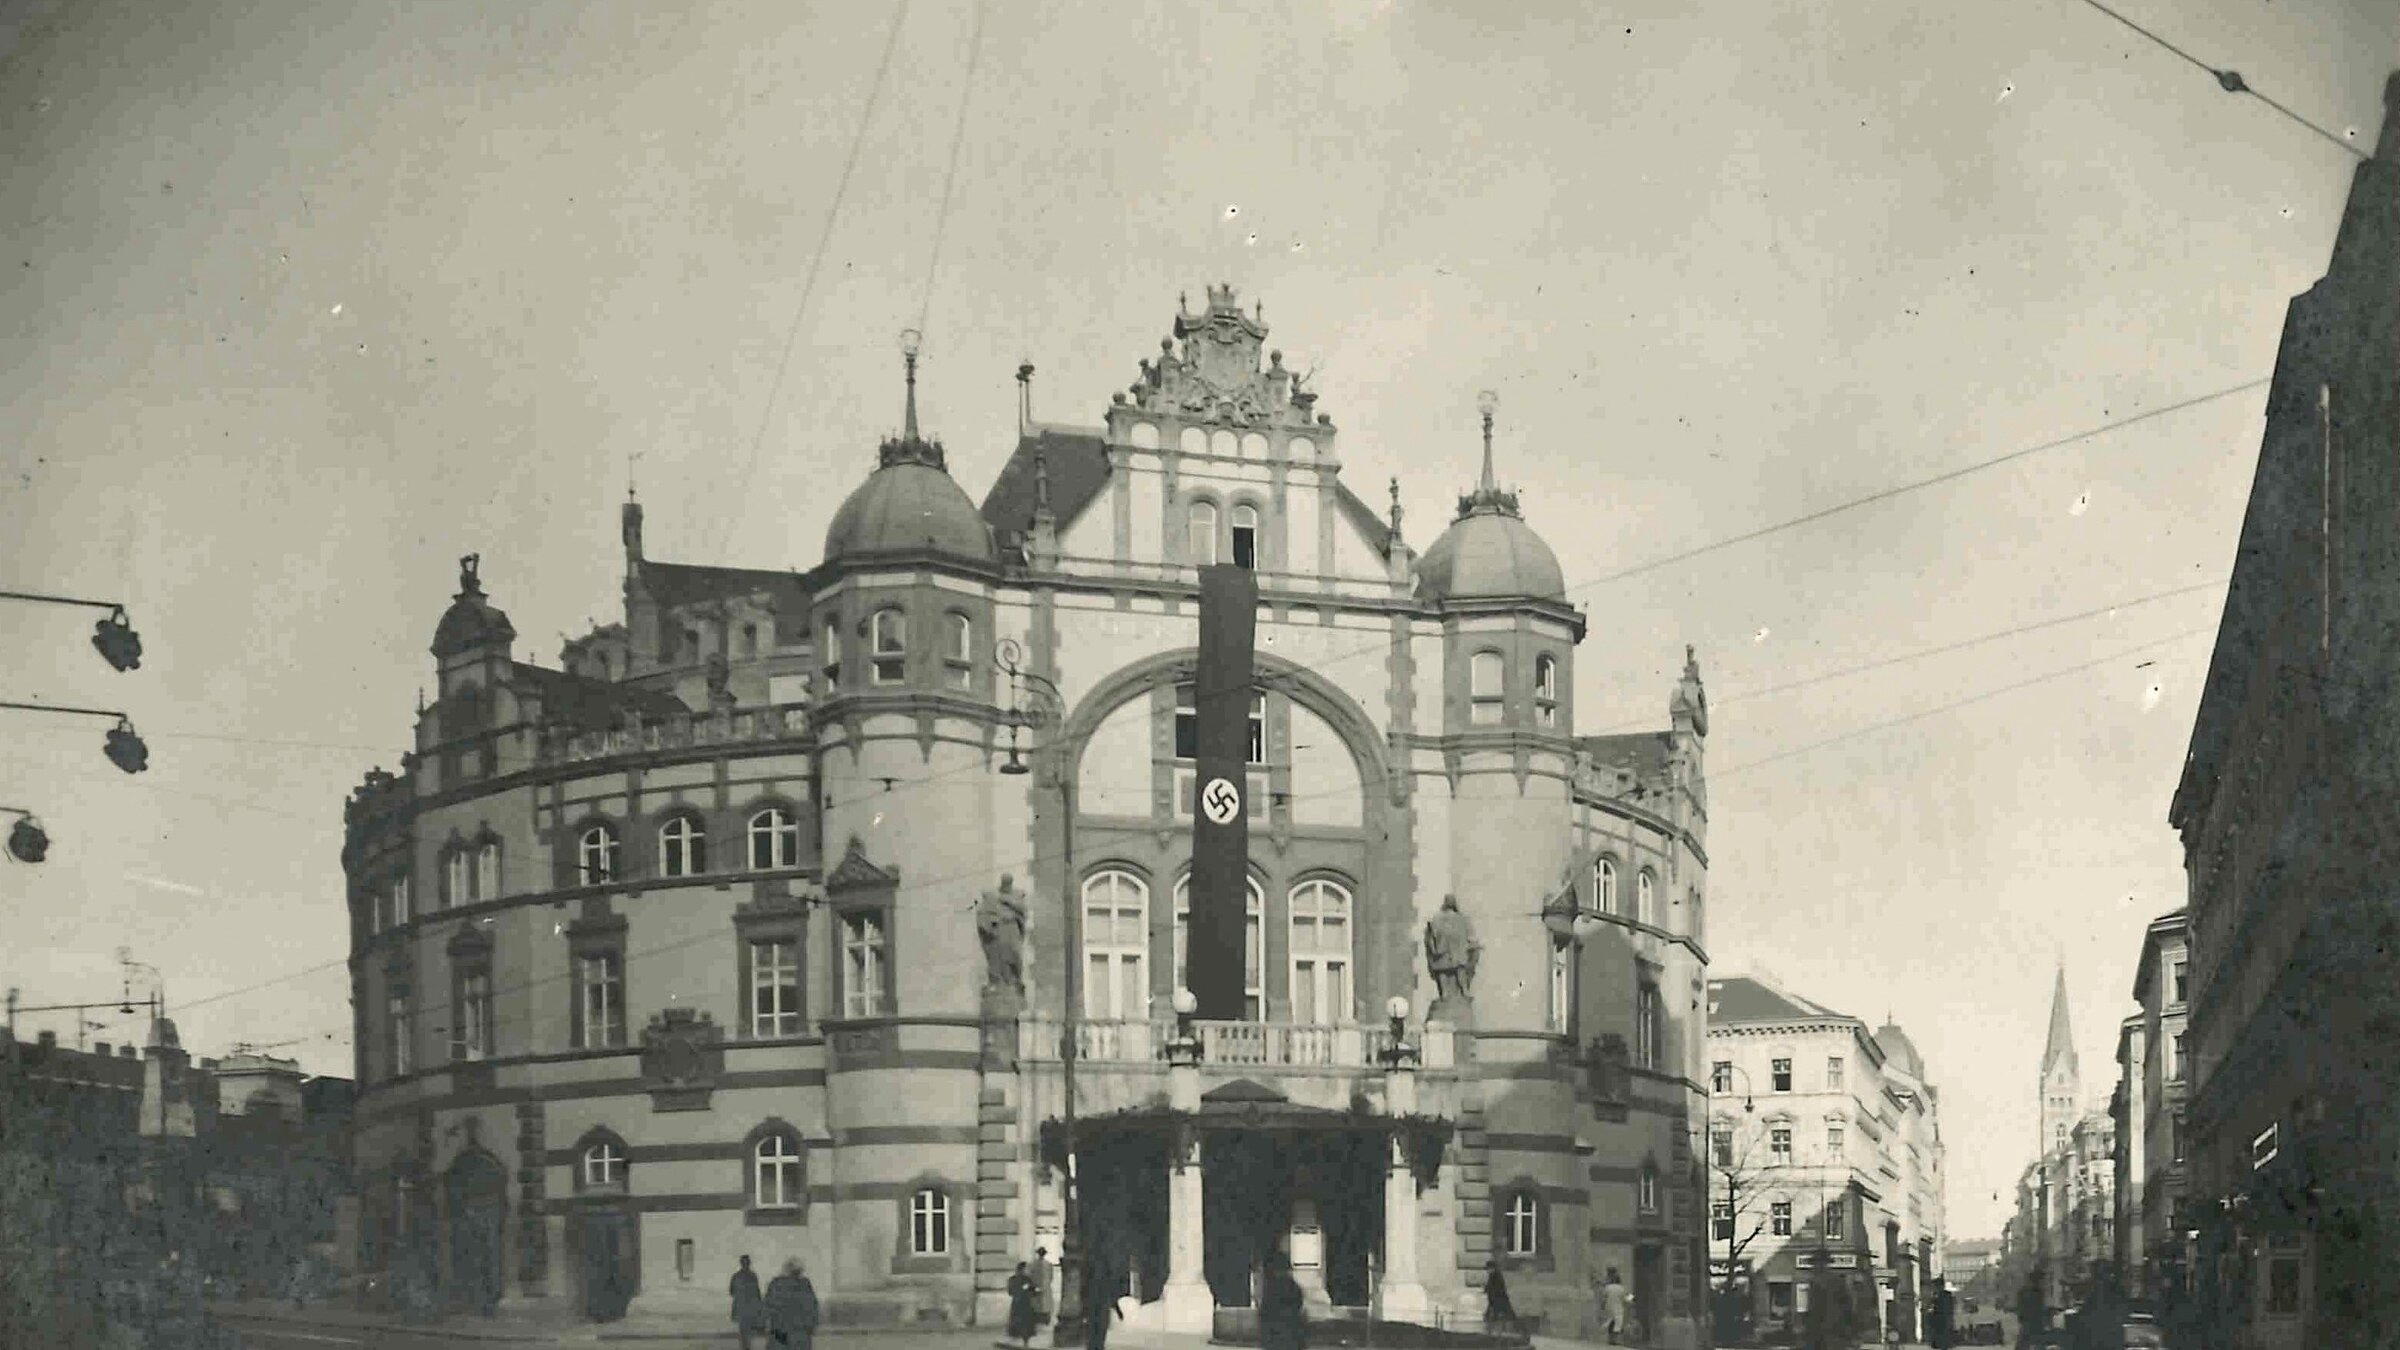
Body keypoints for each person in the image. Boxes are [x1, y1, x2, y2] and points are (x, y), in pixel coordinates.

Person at [768, 1259, 820, 1350]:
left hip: (790, 1328)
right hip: (791, 1328)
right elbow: (812, 1305)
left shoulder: (777, 1283)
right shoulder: (803, 1284)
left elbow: (812, 1305)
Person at [1260, 1251, 1306, 1350]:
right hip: (1290, 1335)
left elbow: (1265, 1313)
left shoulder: (1273, 1288)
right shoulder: (1293, 1287)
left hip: (1279, 1335)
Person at [729, 1255, 766, 1350]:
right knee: (748, 1333)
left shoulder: (736, 1276)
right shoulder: (753, 1276)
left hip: (741, 1308)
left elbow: (731, 1292)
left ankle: (745, 1347)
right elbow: (757, 1294)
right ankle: (746, 1347)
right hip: (750, 1308)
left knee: (743, 1333)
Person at [1007, 1263, 1040, 1346]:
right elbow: (1010, 1291)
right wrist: (1023, 1289)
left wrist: (1035, 1290)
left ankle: (1025, 1340)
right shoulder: (1014, 1279)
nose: (1026, 1271)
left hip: (1025, 1303)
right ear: (1021, 1269)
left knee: (1026, 1323)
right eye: (1025, 1269)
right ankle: (1020, 1339)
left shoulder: (1026, 1279)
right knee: (1020, 1322)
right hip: (1020, 1304)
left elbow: (1033, 1290)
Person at [1483, 1261, 1517, 1335]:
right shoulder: (1492, 1276)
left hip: (1499, 1301)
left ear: (1493, 1268)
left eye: (1489, 1269)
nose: (1488, 1271)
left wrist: (1489, 1292)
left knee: (1500, 1317)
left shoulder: (1497, 1276)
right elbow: (1489, 1287)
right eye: (1487, 1269)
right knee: (1490, 1317)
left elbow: (1497, 1289)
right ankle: (1492, 1332)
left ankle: (1501, 1333)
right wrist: (1486, 1290)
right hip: (1494, 1301)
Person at [1599, 1266, 1631, 1344]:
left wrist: (1602, 1306)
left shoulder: (1608, 1287)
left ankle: (1609, 1338)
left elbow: (1603, 1298)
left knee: (1610, 1322)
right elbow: (1627, 1298)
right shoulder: (1622, 1288)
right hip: (1618, 1309)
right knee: (1618, 1324)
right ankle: (1614, 1340)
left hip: (1609, 1308)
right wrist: (1633, 1298)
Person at [1031, 1246, 1053, 1324]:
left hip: (1038, 1285)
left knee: (1038, 1303)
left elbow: (1031, 1275)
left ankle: (1039, 1318)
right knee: (1044, 1303)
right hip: (1045, 1285)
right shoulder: (1048, 1264)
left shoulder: (1033, 1264)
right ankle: (1044, 1318)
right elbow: (1051, 1276)